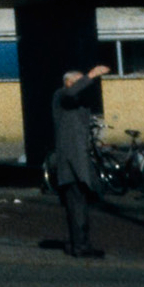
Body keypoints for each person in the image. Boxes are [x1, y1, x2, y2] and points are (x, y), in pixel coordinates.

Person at [46, 66, 113, 258]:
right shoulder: (61, 96)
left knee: (80, 203)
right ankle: (80, 246)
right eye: (78, 82)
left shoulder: (74, 102)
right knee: (77, 205)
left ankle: (77, 242)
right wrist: (90, 76)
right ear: (69, 83)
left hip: (77, 162)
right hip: (70, 163)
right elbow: (70, 94)